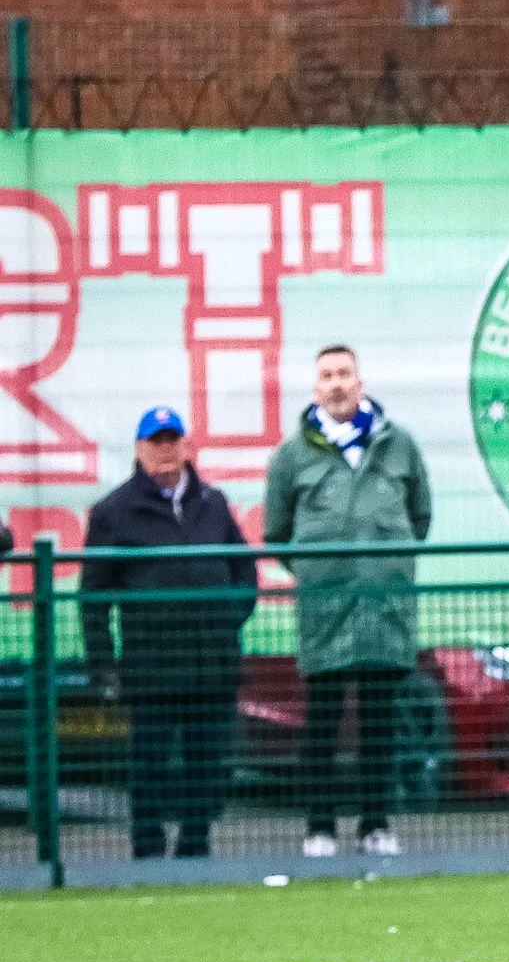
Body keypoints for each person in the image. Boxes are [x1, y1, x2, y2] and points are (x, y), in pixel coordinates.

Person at [261, 344, 432, 860]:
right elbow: (276, 532)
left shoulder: (399, 445)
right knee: (323, 721)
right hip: (325, 609)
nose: (336, 384)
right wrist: (320, 574)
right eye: (326, 376)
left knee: (381, 722)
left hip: (385, 607)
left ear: (360, 381)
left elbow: (420, 517)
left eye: (344, 373)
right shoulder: (292, 456)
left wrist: (385, 569)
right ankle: (319, 829)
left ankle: (376, 826)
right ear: (315, 388)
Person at [79, 408, 257, 860]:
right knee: (149, 764)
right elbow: (94, 595)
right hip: (151, 663)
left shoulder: (213, 503)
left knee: (207, 762)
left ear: (186, 445)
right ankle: (147, 851)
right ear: (139, 449)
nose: (164, 449)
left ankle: (196, 848)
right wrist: (103, 664)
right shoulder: (114, 511)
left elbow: (244, 570)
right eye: (154, 441)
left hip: (211, 661)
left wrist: (227, 617)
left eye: (171, 439)